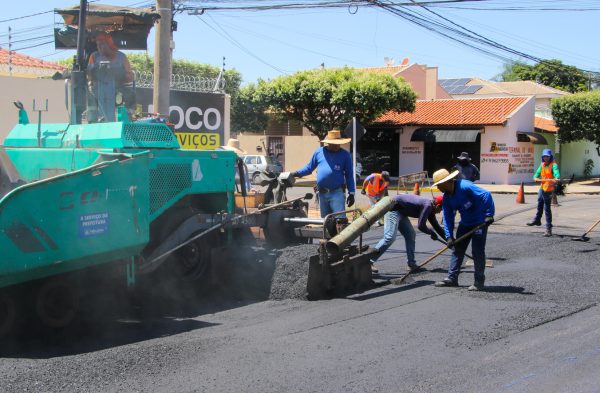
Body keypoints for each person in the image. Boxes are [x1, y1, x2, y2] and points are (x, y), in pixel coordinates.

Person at [432, 168, 495, 291]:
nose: (438, 188)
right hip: (465, 224)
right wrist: (449, 236)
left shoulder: (465, 186)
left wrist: (489, 214)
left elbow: (486, 195)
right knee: (457, 250)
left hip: (479, 223)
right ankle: (452, 278)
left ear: (447, 182)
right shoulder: (447, 199)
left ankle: (478, 281)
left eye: (439, 185)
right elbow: (448, 218)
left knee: (477, 252)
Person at [370, 194, 446, 273]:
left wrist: (450, 241)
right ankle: (369, 261)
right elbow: (421, 226)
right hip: (393, 208)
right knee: (389, 237)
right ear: (437, 206)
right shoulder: (427, 206)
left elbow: (437, 228)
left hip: (402, 212)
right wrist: (431, 232)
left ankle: (411, 264)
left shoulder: (430, 208)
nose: (440, 212)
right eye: (441, 210)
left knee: (411, 235)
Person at [292, 130, 355, 218]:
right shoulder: (319, 152)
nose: (337, 146)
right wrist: (296, 173)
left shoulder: (345, 155)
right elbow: (309, 168)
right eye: (334, 144)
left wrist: (351, 193)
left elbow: (349, 175)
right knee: (326, 221)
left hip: (337, 192)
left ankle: (340, 231)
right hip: (322, 193)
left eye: (338, 143)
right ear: (328, 143)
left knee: (339, 220)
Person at [87, 32, 135, 123]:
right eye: (97, 45)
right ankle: (92, 121)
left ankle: (126, 120)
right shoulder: (94, 56)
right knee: (91, 96)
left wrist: (121, 75)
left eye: (102, 44)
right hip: (98, 91)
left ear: (109, 44)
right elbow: (89, 75)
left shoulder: (121, 57)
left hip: (118, 91)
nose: (99, 47)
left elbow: (130, 76)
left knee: (129, 95)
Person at [526, 148, 560, 237]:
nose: (546, 158)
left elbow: (557, 175)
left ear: (550, 157)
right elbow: (536, 175)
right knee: (539, 203)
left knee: (547, 208)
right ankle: (537, 219)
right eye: (544, 156)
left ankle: (548, 228)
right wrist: (536, 178)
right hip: (542, 188)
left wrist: (556, 178)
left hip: (549, 189)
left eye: (547, 156)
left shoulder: (554, 165)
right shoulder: (542, 165)